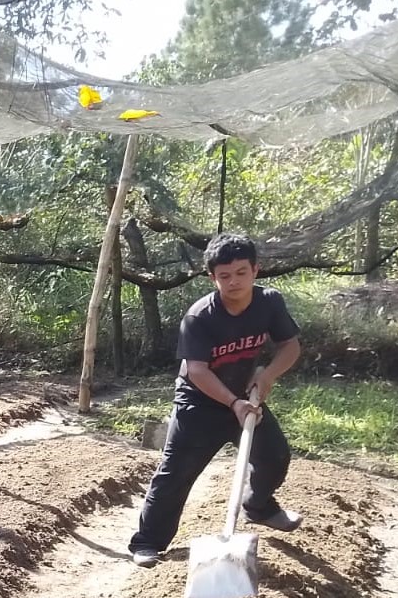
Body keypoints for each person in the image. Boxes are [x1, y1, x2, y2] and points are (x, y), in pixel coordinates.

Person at [128, 233, 303, 568]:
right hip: (200, 404)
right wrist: (233, 403)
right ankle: (148, 542)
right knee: (176, 473)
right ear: (212, 277)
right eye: (224, 275)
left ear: (255, 270)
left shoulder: (269, 302)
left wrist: (267, 376)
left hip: (245, 398)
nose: (234, 281)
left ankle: (258, 507)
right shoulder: (200, 317)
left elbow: (290, 346)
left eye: (241, 272)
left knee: (275, 456)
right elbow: (197, 371)